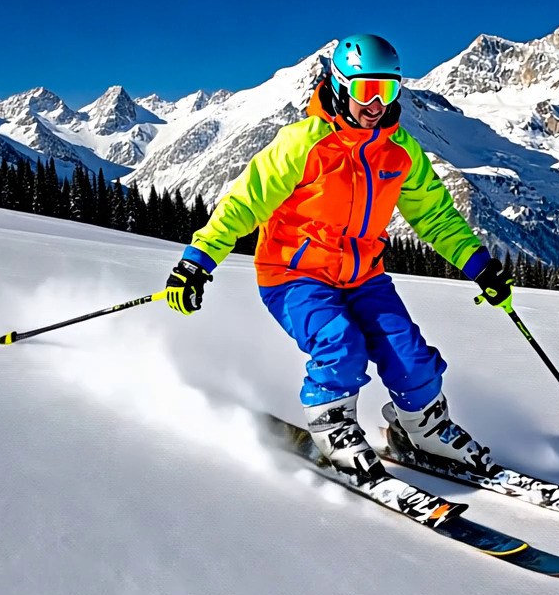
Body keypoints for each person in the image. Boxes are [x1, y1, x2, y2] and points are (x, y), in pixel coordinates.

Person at [163, 34, 514, 486]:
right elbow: (243, 204)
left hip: (364, 276)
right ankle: (334, 426)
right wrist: (197, 262)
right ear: (339, 86)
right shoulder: (303, 144)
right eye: (366, 91)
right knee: (339, 343)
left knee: (409, 355)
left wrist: (479, 265)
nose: (375, 105)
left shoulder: (400, 151)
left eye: (386, 92)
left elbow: (436, 217)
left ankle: (422, 430)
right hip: (293, 275)